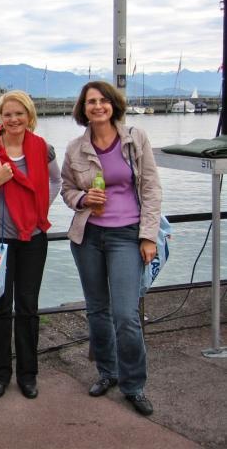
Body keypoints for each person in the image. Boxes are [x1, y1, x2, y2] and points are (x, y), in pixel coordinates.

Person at [60, 81, 162, 416]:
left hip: (126, 236)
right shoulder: (75, 149)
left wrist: (148, 236)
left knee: (125, 315)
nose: (98, 106)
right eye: (91, 102)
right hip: (88, 236)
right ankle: (107, 372)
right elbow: (67, 189)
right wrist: (83, 198)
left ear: (113, 104)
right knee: (97, 312)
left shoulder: (135, 138)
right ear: (83, 108)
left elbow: (150, 188)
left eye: (103, 100)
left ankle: (134, 385)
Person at [0, 90, 61, 401]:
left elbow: (56, 181)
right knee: (1, 309)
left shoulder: (42, 149)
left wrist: (40, 209)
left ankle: (28, 375)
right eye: (8, 114)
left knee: (29, 308)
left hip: (33, 237)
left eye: (19, 113)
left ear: (29, 116)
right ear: (0, 118)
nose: (14, 119)